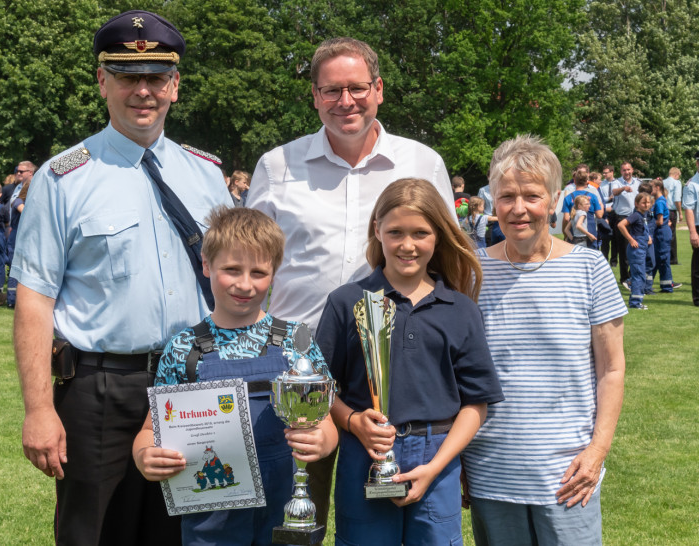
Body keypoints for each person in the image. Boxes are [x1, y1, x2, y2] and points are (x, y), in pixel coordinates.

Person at [10, 10, 232, 546]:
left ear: (175, 86)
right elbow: (34, 299)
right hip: (101, 390)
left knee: (190, 533)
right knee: (95, 532)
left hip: (194, 383)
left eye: (156, 77)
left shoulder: (206, 174)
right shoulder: (64, 178)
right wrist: (39, 410)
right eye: (128, 76)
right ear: (102, 81)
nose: (143, 91)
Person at [247, 36, 456, 531]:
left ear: (378, 89)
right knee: (295, 522)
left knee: (386, 522)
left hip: (395, 373)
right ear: (315, 96)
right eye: (331, 90)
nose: (346, 101)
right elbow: (249, 262)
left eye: (357, 88)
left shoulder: (421, 162)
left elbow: (446, 259)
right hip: (299, 371)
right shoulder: (277, 166)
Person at [133, 206, 338, 545]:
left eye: (258, 272)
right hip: (211, 517)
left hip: (285, 508)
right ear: (206, 265)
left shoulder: (296, 341)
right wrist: (145, 456)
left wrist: (323, 441)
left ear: (274, 272)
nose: (245, 284)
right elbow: (149, 430)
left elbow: (326, 422)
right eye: (231, 269)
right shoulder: (184, 348)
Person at [316, 178, 503, 544]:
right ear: (377, 230)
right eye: (395, 232)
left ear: (438, 235)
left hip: (437, 456)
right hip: (364, 453)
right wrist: (353, 421)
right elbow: (321, 388)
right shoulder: (346, 302)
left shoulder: (460, 309)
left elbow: (476, 403)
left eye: (420, 233)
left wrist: (434, 467)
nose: (407, 245)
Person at [461, 135, 627, 545]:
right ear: (493, 201)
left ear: (554, 200)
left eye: (532, 196)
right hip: (491, 470)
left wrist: (597, 452)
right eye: (507, 196)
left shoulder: (589, 267)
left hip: (569, 473)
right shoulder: (470, 273)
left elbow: (612, 369)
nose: (519, 209)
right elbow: (457, 372)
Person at [617, 193, 653, 309]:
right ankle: (635, 303)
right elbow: (621, 225)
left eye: (648, 202)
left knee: (640, 275)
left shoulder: (644, 215)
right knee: (639, 276)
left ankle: (631, 286)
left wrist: (648, 237)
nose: (646, 205)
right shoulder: (636, 215)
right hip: (636, 251)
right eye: (643, 203)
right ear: (636, 204)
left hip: (642, 249)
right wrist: (631, 239)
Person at [611, 162, 642, 285]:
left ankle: (633, 275)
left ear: (632, 170)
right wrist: (623, 188)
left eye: (628, 169)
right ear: (621, 171)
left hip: (636, 217)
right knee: (624, 249)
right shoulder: (617, 182)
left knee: (637, 247)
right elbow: (614, 192)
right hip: (622, 218)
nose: (627, 172)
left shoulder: (638, 182)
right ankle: (624, 277)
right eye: (624, 170)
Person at [561, 170, 603, 249]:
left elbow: (566, 218)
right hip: (590, 231)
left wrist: (567, 235)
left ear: (574, 181)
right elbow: (599, 215)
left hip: (574, 232)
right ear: (587, 182)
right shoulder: (593, 196)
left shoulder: (568, 197)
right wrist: (601, 205)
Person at [6, 178, 31, 308]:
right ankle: (11, 299)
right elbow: (27, 213)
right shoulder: (18, 201)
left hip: (26, 236)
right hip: (17, 236)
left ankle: (22, 300)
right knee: (15, 268)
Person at [648, 179, 676, 293]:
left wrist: (646, 224)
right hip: (662, 233)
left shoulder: (659, 202)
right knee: (658, 259)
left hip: (661, 234)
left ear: (657, 188)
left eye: (651, 187)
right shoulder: (660, 200)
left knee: (662, 259)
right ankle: (649, 285)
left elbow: (659, 221)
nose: (650, 190)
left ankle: (667, 286)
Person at [683, 155, 699, 306]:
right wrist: (693, 232)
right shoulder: (692, 184)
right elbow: (688, 209)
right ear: (697, 163)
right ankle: (698, 299)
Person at [663, 167, 683, 265]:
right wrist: (680, 212)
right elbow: (677, 199)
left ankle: (665, 256)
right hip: (671, 211)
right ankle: (673, 259)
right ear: (676, 174)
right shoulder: (677, 183)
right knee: (672, 235)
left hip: (662, 209)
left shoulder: (663, 182)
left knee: (664, 234)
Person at [601, 165, 617, 265]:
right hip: (605, 212)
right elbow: (601, 198)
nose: (604, 174)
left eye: (606, 172)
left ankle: (614, 261)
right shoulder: (602, 185)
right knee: (605, 238)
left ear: (612, 172)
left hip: (615, 212)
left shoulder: (618, 183)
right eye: (603, 173)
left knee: (615, 238)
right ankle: (604, 259)